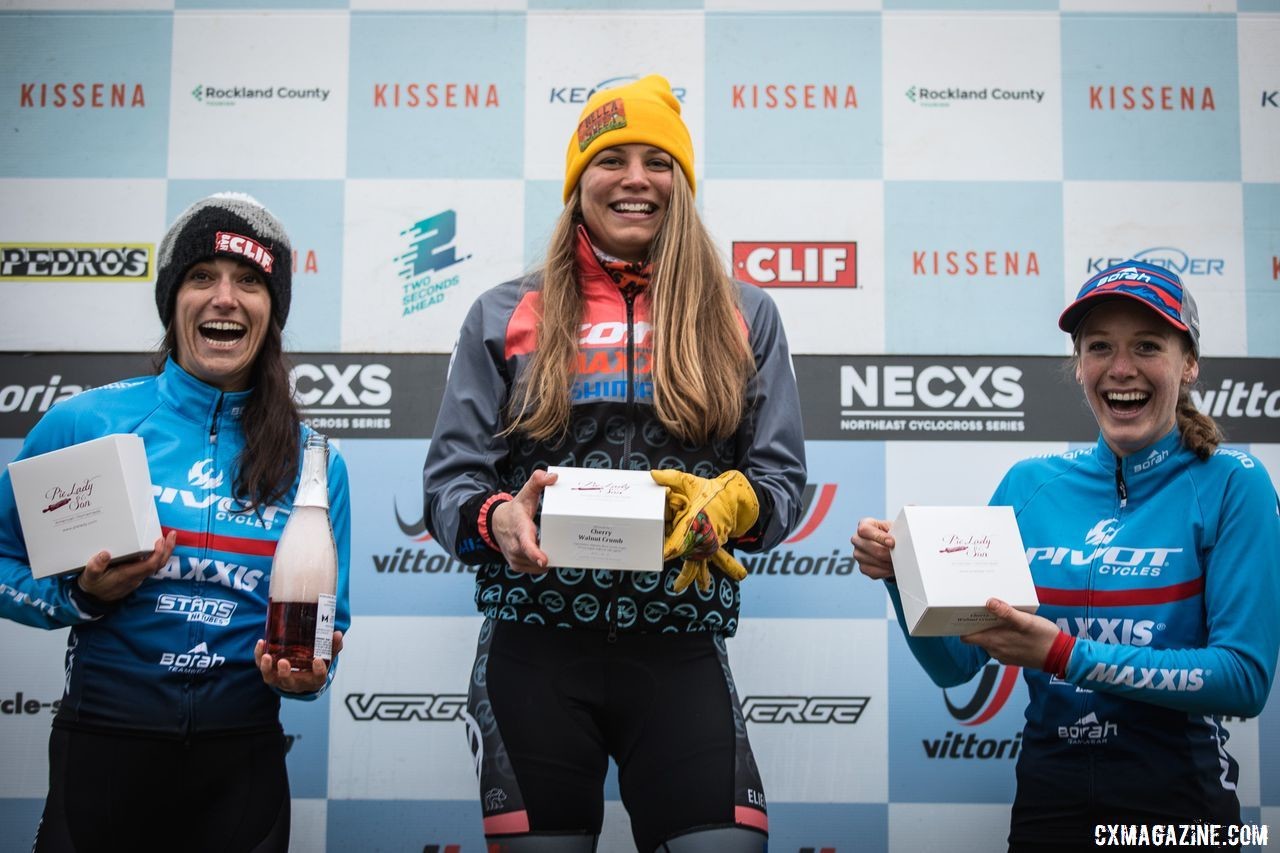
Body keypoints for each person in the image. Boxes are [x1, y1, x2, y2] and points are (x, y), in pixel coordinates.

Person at [423, 75, 806, 853]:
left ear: (683, 184)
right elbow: (449, 483)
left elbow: (782, 483)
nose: (636, 179)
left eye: (659, 161)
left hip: (679, 648)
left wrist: (733, 506)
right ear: (578, 181)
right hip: (534, 649)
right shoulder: (504, 312)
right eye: (611, 159)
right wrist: (497, 517)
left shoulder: (745, 314)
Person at [852, 260, 1280, 852]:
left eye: (1148, 346)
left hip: (1182, 807)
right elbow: (955, 665)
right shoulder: (1031, 485)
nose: (1121, 368)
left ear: (1189, 365)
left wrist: (1062, 654)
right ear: (1079, 366)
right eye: (1099, 346)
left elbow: (1244, 680)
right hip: (1047, 807)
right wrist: (903, 579)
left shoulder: (1234, 483)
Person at [0, 193, 352, 853]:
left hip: (240, 767)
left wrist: (310, 673)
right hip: (104, 754)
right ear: (172, 301)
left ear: (271, 309)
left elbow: (332, 623)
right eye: (201, 277)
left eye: (249, 280)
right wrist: (76, 597)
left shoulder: (314, 462)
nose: (225, 297)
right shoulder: (88, 425)